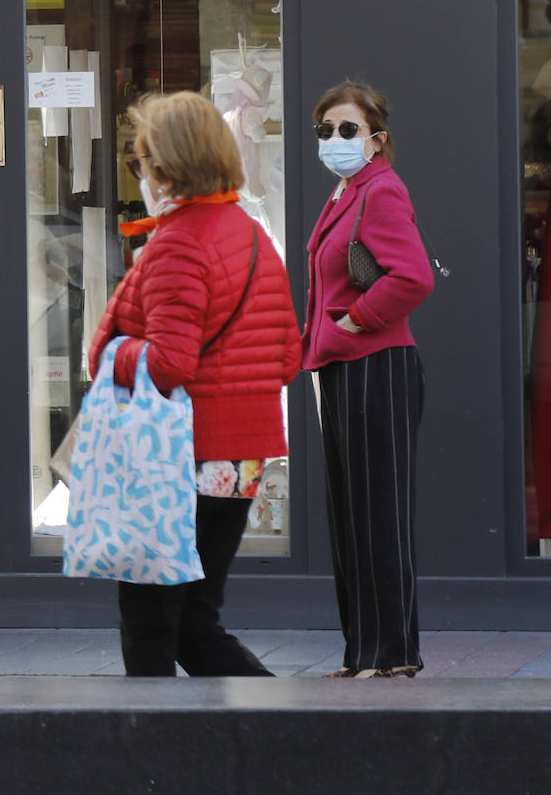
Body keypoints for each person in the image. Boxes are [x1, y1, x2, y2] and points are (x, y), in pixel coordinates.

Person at [85, 91, 300, 677]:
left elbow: (171, 364)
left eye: (141, 161)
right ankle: (273, 738)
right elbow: (287, 356)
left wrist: (112, 354)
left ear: (168, 166)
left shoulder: (179, 242)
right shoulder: (249, 232)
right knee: (197, 619)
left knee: (152, 620)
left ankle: (156, 752)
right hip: (240, 456)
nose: (141, 174)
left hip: (179, 456)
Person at [302, 81, 434, 678]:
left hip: (376, 367)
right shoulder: (347, 191)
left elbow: (412, 278)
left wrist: (354, 322)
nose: (334, 139)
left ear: (377, 137)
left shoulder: (380, 190)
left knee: (378, 514)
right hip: (344, 368)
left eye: (347, 129)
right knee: (352, 516)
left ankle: (390, 656)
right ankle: (364, 654)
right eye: (326, 130)